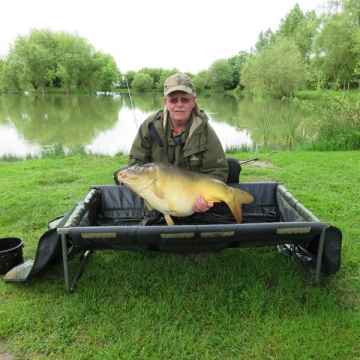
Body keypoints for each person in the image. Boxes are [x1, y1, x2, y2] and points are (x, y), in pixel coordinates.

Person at [113, 73, 241, 213]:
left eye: (185, 100)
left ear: (193, 101)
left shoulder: (205, 131)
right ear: (165, 102)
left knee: (232, 166)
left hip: (189, 189)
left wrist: (205, 200)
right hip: (161, 186)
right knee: (120, 174)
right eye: (173, 100)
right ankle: (157, 206)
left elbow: (218, 171)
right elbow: (136, 162)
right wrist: (147, 191)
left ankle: (222, 206)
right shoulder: (150, 125)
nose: (179, 105)